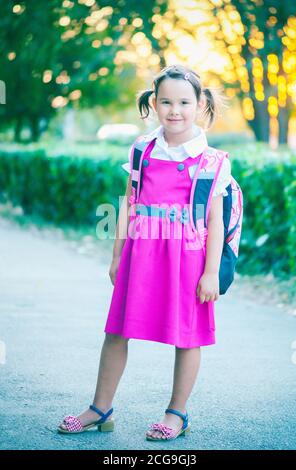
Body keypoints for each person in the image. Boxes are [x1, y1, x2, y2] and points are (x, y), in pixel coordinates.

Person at [57, 64, 231, 441]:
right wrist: (117, 257)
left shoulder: (212, 160)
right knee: (116, 330)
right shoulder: (142, 150)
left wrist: (211, 272)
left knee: (188, 336)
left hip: (187, 258)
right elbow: (129, 205)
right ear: (154, 103)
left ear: (200, 104)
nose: (175, 110)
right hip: (142, 254)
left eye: (184, 102)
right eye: (166, 101)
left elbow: (215, 222)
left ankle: (176, 414)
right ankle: (100, 408)